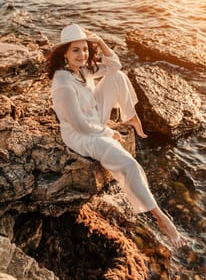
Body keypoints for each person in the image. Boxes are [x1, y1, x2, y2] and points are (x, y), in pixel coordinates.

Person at [46, 23, 185, 248]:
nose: (82, 55)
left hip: (93, 117)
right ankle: (161, 218)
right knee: (128, 164)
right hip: (79, 136)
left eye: (85, 49)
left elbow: (115, 64)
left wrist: (99, 42)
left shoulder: (81, 71)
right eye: (75, 50)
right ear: (64, 54)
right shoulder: (62, 83)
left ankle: (131, 117)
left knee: (117, 76)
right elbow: (80, 126)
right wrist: (109, 131)